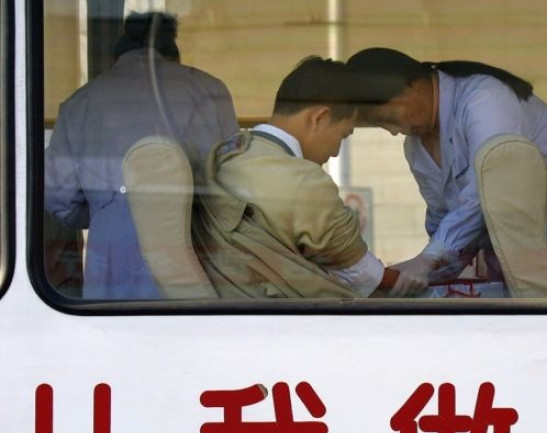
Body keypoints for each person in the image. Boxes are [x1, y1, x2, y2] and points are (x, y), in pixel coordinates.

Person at [347, 47, 547, 298]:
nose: (393, 132)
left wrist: (429, 258)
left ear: (412, 86)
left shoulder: (485, 99)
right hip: (523, 269)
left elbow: (485, 193)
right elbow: (444, 224)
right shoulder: (416, 148)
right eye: (382, 126)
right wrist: (413, 271)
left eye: (389, 118)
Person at [45, 11, 239, 299]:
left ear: (116, 57)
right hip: (199, 242)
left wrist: (106, 207)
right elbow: (234, 179)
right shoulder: (210, 90)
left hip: (113, 250)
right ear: (173, 55)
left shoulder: (80, 102)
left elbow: (59, 198)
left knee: (117, 336)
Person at [193, 56, 400, 299]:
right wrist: (422, 274)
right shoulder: (306, 183)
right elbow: (365, 278)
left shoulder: (223, 154)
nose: (335, 151)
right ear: (319, 118)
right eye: (343, 135)